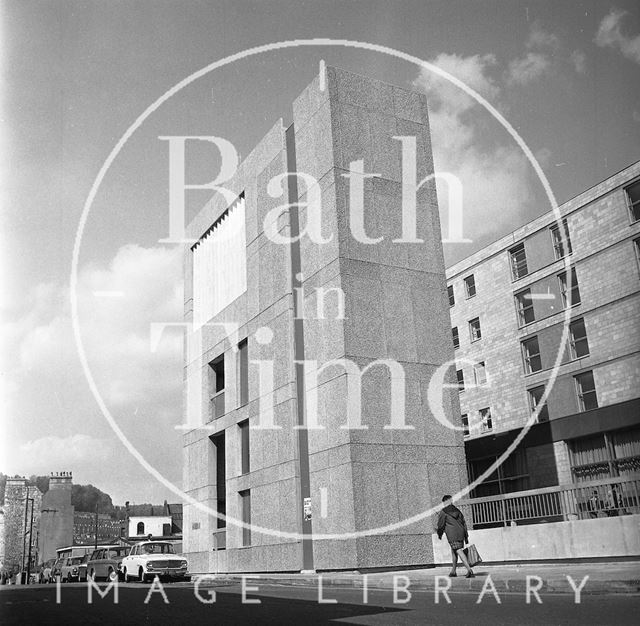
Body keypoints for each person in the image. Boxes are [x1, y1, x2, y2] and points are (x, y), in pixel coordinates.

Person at [436, 495, 475, 578]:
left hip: (452, 535)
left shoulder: (443, 512)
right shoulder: (458, 511)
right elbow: (463, 523)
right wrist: (466, 536)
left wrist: (439, 534)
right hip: (460, 533)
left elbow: (441, 524)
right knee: (454, 551)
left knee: (458, 550)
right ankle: (453, 571)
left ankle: (469, 569)